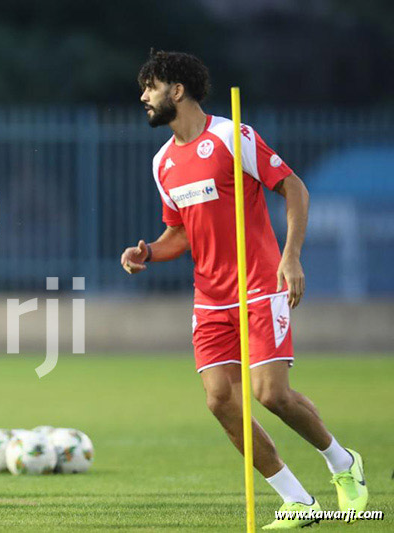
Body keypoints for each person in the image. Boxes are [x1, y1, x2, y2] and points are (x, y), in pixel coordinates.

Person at [122, 50, 368, 529]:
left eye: (150, 87)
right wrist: (148, 252)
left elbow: (294, 187)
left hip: (260, 285)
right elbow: (180, 233)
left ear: (177, 90)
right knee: (219, 400)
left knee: (271, 395)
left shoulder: (233, 136)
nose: (142, 97)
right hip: (209, 298)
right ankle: (298, 501)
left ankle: (344, 463)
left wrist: (291, 256)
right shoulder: (162, 163)